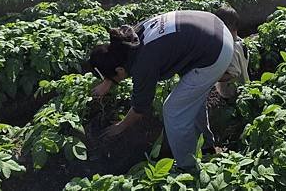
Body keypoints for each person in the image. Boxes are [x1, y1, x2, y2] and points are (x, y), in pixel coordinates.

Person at [89, 10, 234, 170]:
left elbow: (140, 108)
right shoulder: (131, 38)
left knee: (174, 110)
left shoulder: (142, 64)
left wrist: (120, 127)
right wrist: (110, 79)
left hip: (214, 53)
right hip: (214, 27)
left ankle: (188, 167)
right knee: (190, 100)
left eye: (111, 77)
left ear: (119, 69)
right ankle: (206, 147)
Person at [214, 6, 250, 100]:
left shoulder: (231, 49)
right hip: (243, 84)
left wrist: (212, 76)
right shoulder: (241, 41)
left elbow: (233, 74)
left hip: (232, 92)